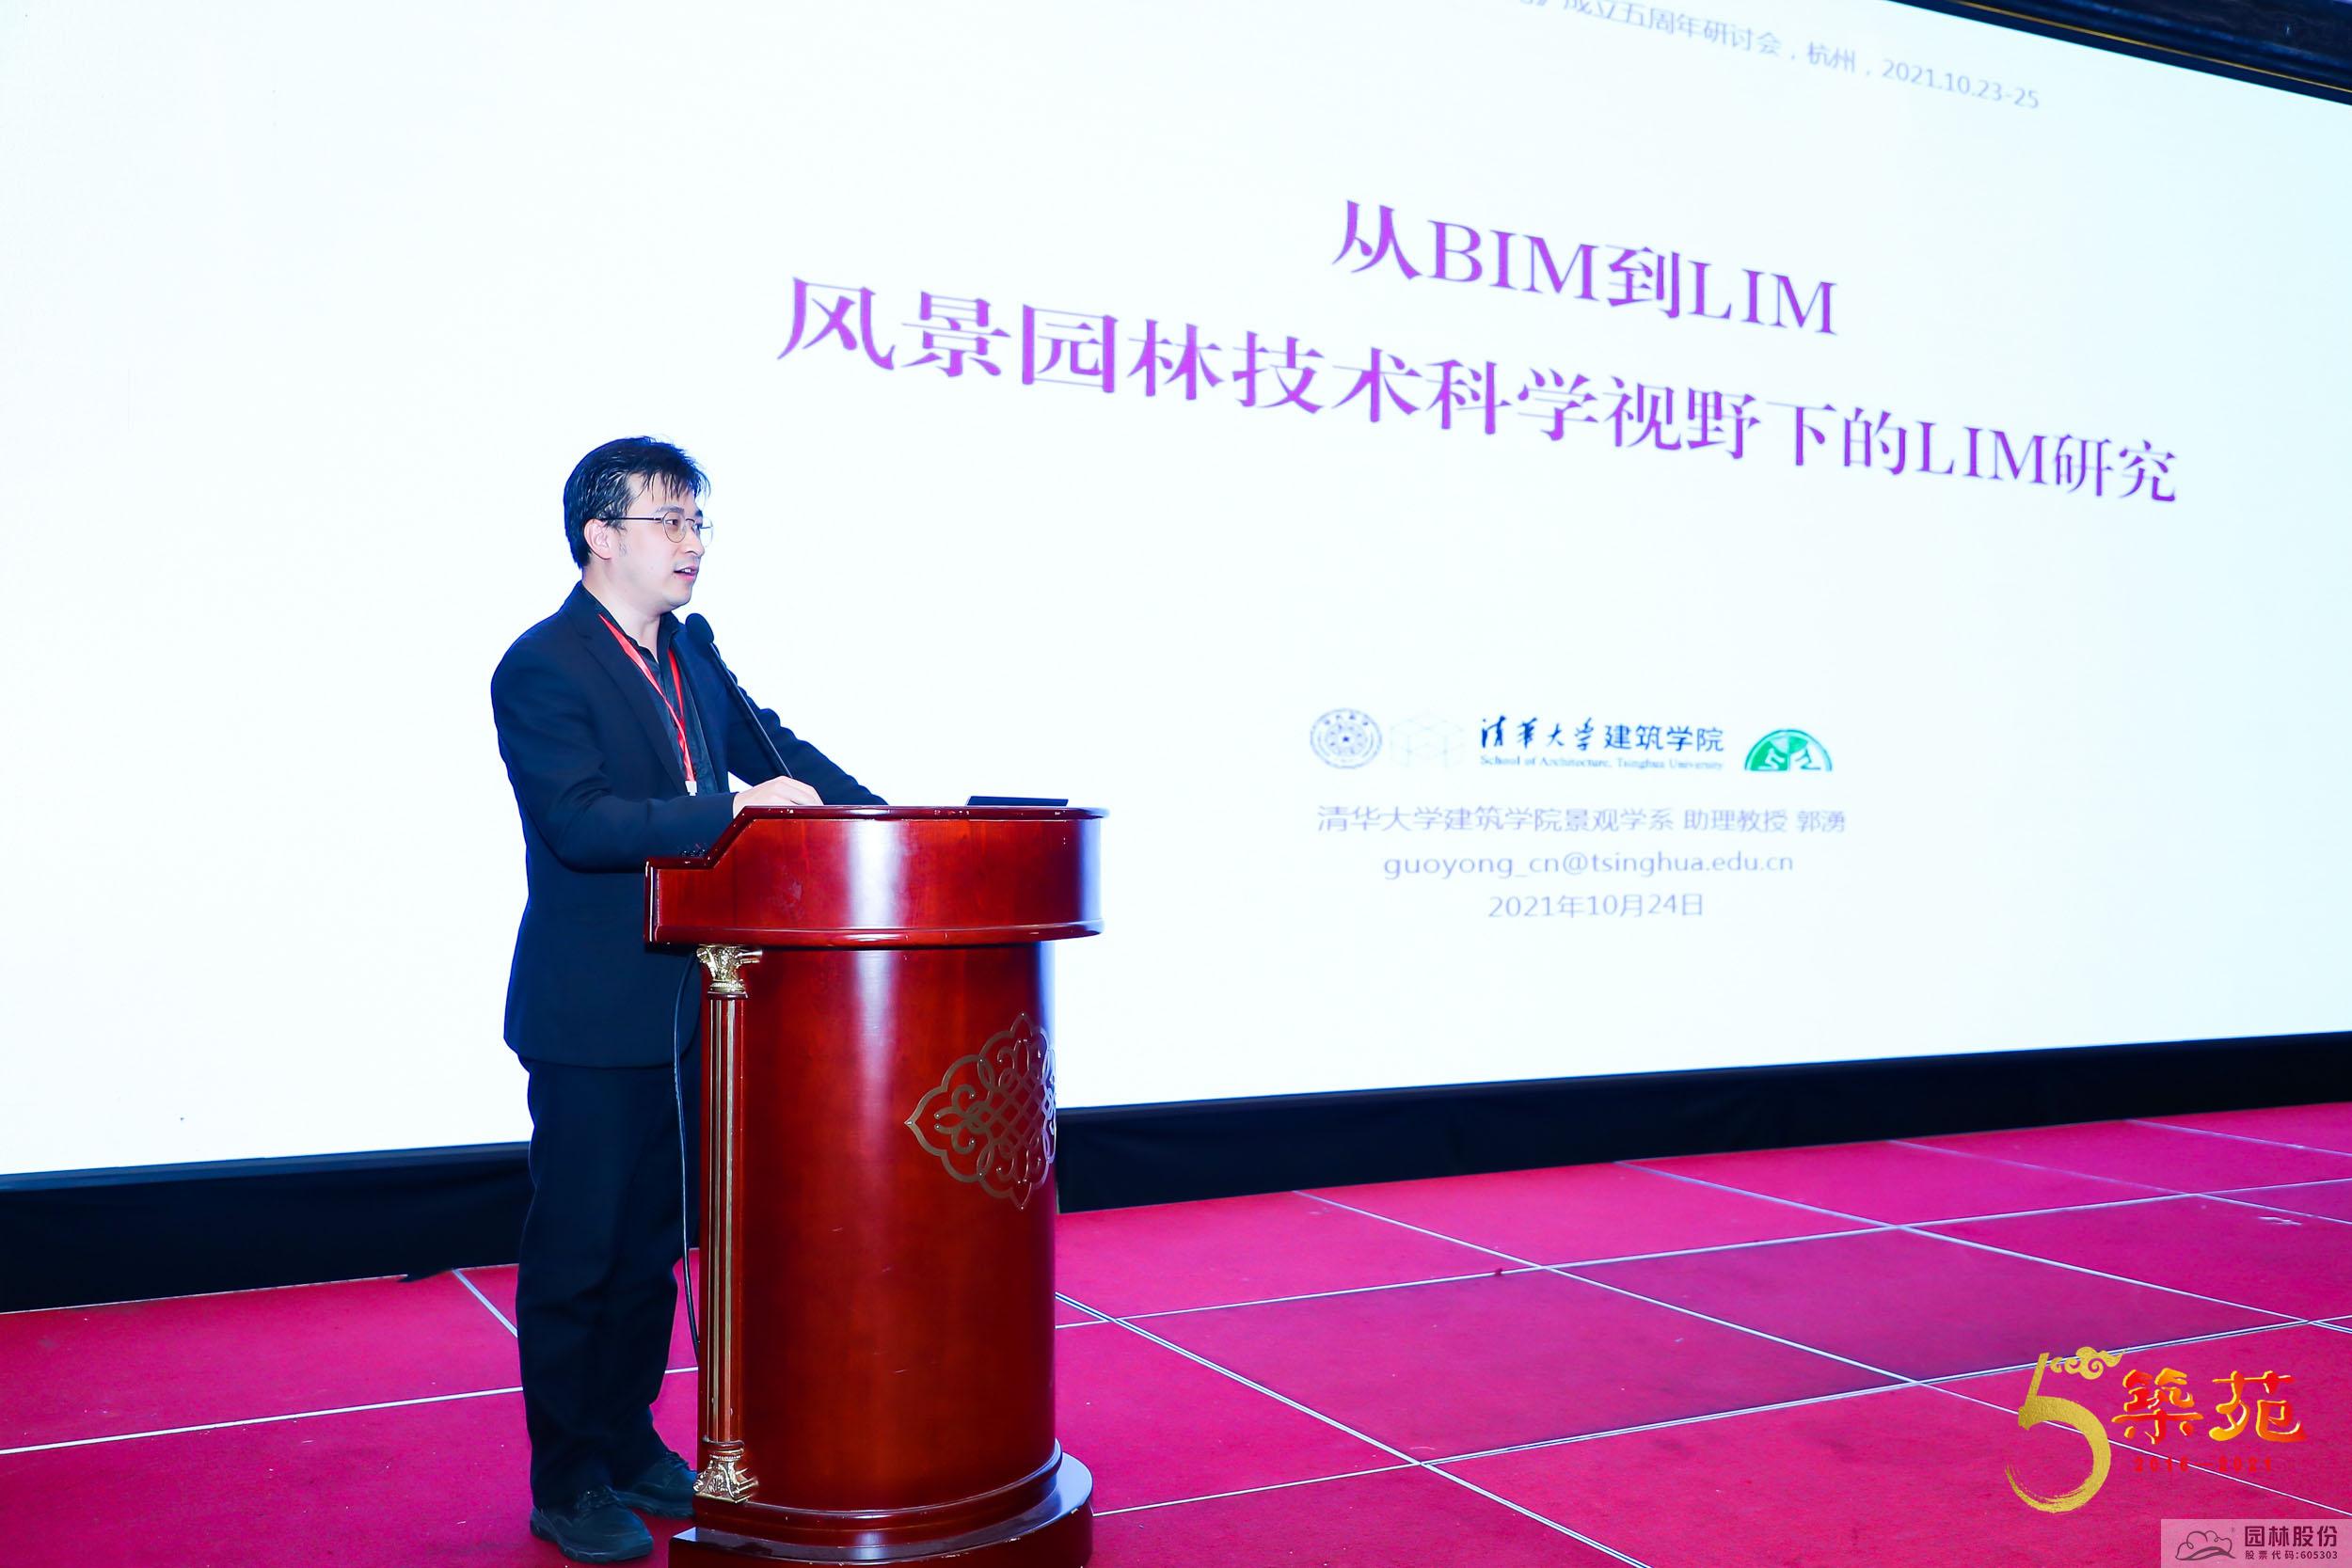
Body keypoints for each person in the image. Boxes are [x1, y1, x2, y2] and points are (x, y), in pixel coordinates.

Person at [490, 436, 882, 1563]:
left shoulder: (693, 651)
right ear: (599, 534)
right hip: (594, 1010)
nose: (692, 542)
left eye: (699, 520)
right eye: (670, 519)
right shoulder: (544, 664)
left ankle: (625, 1442)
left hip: (701, 1003)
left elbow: (777, 750)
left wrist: (892, 822)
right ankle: (567, 1477)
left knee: (654, 1247)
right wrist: (730, 809)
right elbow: (581, 820)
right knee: (582, 1253)